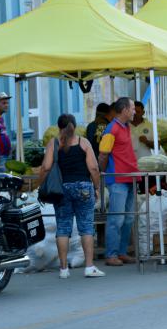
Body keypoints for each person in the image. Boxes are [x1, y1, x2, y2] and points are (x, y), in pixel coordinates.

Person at [39, 114, 105, 278]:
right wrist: (96, 187)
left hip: (62, 189)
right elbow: (94, 168)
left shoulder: (53, 144)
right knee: (86, 227)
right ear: (74, 126)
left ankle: (63, 270)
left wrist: (40, 185)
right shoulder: (83, 142)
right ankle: (89, 267)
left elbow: (46, 167)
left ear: (58, 127)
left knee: (62, 228)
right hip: (83, 187)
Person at [98, 98, 139, 267]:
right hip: (117, 179)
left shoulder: (126, 127)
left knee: (128, 219)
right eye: (133, 108)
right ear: (124, 110)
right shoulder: (111, 129)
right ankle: (111, 254)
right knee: (116, 219)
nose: (135, 111)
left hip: (130, 177)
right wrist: (102, 175)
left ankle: (121, 252)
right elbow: (103, 154)